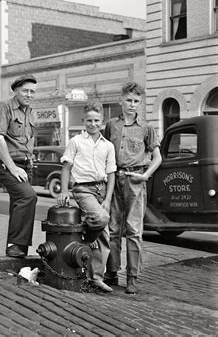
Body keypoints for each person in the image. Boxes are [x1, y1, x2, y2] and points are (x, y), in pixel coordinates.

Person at [104, 82, 162, 294]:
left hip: (135, 180)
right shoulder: (111, 125)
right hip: (114, 179)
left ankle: (132, 277)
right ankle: (111, 272)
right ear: (121, 100)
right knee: (113, 229)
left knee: (134, 230)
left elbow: (157, 157)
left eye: (136, 101)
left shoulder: (146, 128)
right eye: (129, 100)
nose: (132, 104)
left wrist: (145, 175)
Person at [57, 102, 117, 292]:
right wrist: (64, 190)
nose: (93, 124)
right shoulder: (76, 141)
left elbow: (112, 173)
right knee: (101, 219)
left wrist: (107, 199)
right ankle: (85, 238)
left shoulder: (108, 146)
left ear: (102, 122)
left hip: (102, 189)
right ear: (83, 121)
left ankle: (95, 277)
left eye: (96, 120)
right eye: (89, 120)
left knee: (104, 235)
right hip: (83, 189)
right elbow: (66, 166)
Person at [0, 74, 38, 258]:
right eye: (25, 90)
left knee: (19, 203)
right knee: (28, 197)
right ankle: (16, 245)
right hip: (6, 164)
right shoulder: (4, 107)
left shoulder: (30, 112)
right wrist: (12, 168)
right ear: (16, 91)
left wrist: (29, 163)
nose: (29, 94)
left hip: (26, 165)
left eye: (32, 91)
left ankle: (17, 251)